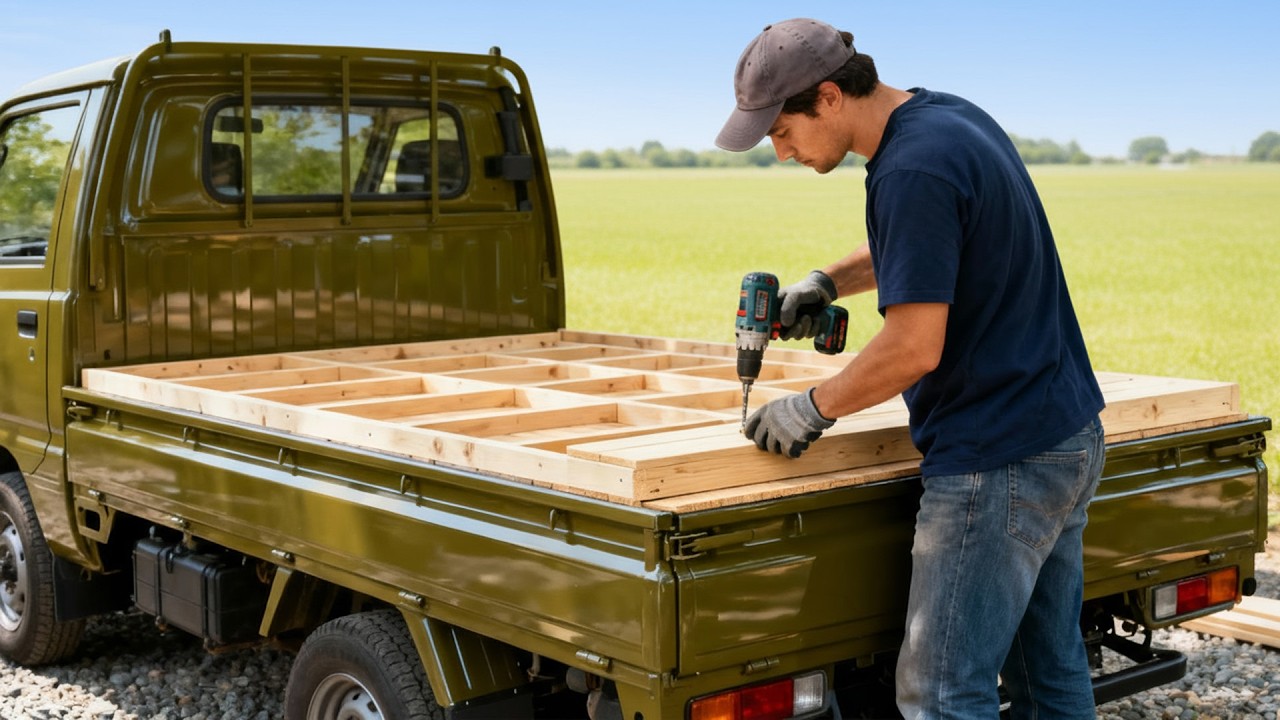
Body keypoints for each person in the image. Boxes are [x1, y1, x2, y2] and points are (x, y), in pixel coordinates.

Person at [716, 18, 1107, 720]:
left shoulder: (910, 169)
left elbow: (913, 347)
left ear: (829, 97)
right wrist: (826, 282)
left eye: (782, 131)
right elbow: (926, 241)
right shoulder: (944, 118)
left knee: (940, 695)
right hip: (1063, 434)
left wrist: (811, 407)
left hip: (997, 459)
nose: (780, 152)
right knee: (1048, 677)